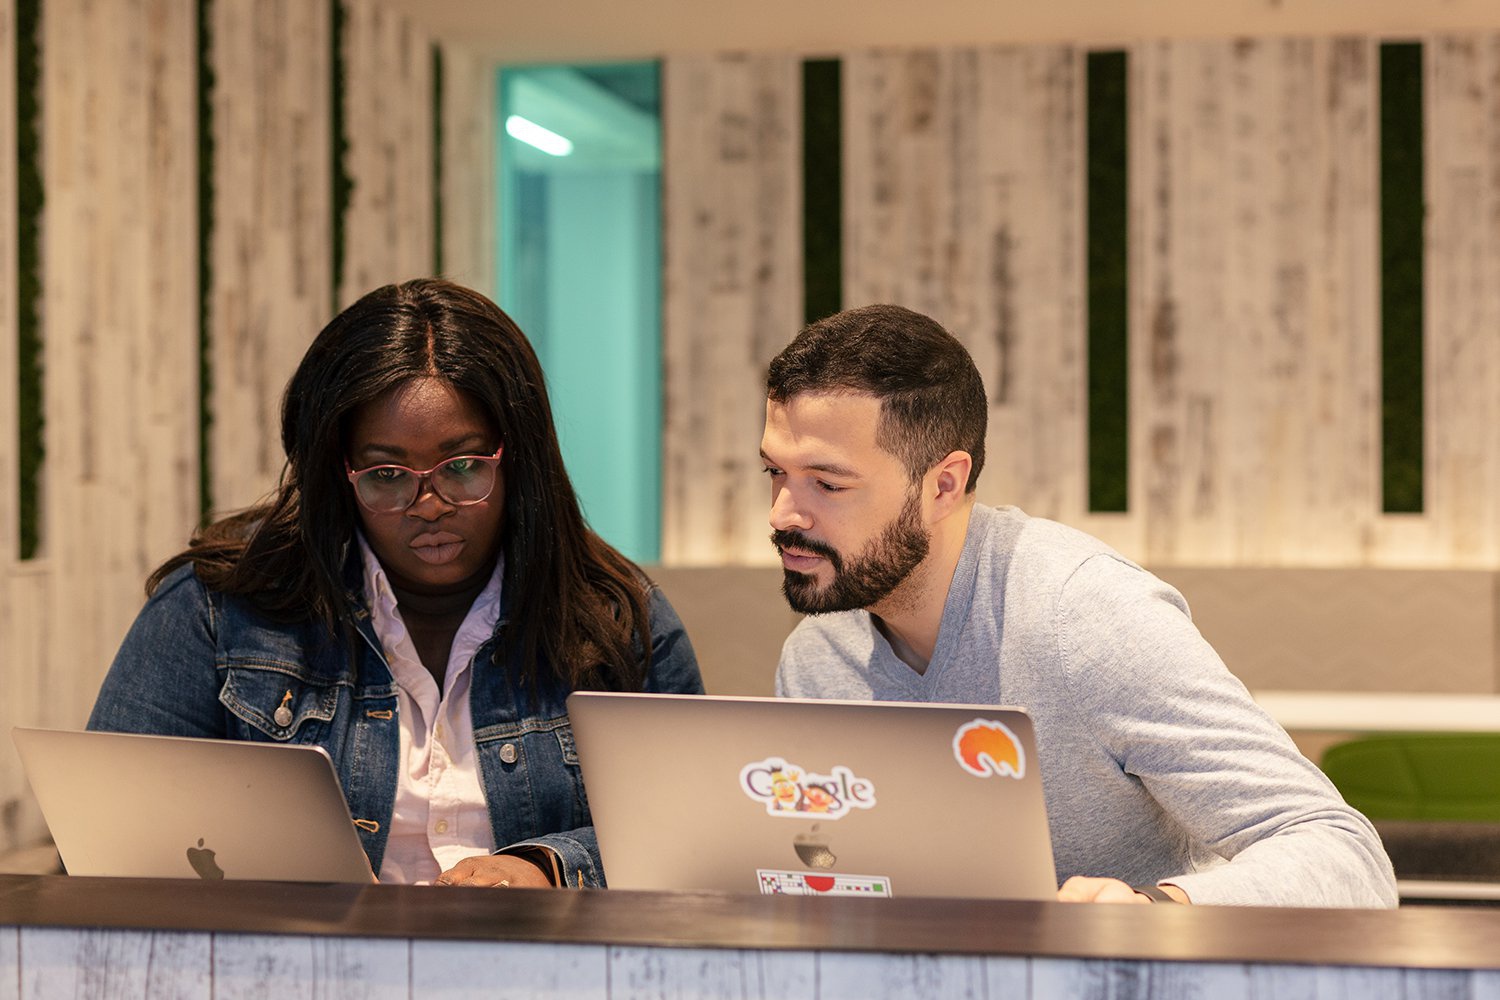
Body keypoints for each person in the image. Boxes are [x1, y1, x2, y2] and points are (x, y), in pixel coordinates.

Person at [759, 303, 1397, 908]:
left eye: (827, 483)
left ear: (943, 485)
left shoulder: (1085, 617)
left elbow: (1346, 858)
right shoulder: (817, 659)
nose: (783, 514)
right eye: (775, 475)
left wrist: (1157, 909)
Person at [89, 278, 703, 888]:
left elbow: (692, 839)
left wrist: (547, 867)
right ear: (340, 473)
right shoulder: (219, 608)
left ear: (519, 457)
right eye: (387, 474)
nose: (429, 504)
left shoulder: (621, 621)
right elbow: (103, 840)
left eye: (462, 466)